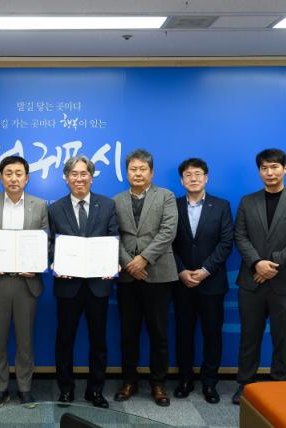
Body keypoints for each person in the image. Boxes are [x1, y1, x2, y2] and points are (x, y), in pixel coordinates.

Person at [232, 148, 286, 405]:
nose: (269, 172)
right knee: (249, 337)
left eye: (274, 167)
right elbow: (240, 236)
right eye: (264, 168)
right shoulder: (247, 202)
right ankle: (246, 385)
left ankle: (281, 387)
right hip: (251, 282)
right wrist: (257, 263)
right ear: (259, 171)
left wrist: (272, 265)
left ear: (285, 169)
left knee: (283, 338)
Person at [0, 155, 48, 409]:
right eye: (8, 173)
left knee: (25, 340)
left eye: (18, 174)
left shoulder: (39, 205)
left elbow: (46, 240)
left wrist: (36, 264)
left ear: (27, 178)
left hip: (27, 283)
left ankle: (25, 388)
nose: (13, 178)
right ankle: (0, 388)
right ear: (0, 177)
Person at [49, 155, 118, 409]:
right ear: (66, 178)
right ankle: (66, 390)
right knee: (64, 340)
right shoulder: (55, 208)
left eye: (84, 173)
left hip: (98, 284)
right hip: (68, 285)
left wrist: (112, 264)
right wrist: (55, 262)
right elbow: (49, 243)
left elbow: (113, 238)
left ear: (91, 176)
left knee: (98, 341)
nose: (79, 178)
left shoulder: (107, 205)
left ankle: (95, 391)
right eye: (74, 174)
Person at [112, 149, 178, 407]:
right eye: (133, 169)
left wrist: (144, 259)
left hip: (158, 273)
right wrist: (129, 263)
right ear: (126, 172)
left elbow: (168, 231)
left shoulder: (166, 196)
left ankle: (158, 383)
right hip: (128, 276)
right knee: (128, 333)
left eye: (142, 169)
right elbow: (113, 235)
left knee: (158, 333)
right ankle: (129, 381)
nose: (137, 173)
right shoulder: (116, 200)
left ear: (151, 172)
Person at [171, 158, 234, 404]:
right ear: (182, 180)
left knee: (212, 335)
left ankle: (209, 383)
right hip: (182, 282)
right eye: (188, 175)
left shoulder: (221, 206)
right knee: (183, 334)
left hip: (212, 282)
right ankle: (185, 379)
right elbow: (167, 242)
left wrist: (206, 270)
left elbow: (226, 243)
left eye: (198, 174)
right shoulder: (173, 205)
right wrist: (181, 271)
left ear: (206, 178)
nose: (193, 178)